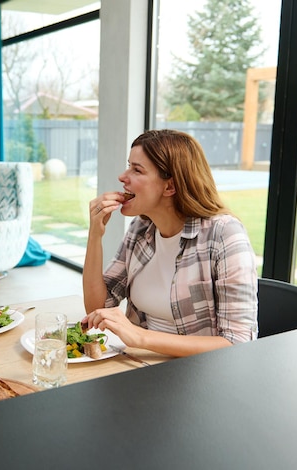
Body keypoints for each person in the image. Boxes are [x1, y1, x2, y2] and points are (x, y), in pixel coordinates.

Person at [82, 129, 258, 358]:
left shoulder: (224, 234)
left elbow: (239, 342)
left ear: (169, 187)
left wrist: (140, 337)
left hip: (200, 375)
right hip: (137, 365)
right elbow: (98, 308)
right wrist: (95, 235)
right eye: (129, 166)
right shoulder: (141, 228)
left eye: (137, 170)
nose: (123, 177)